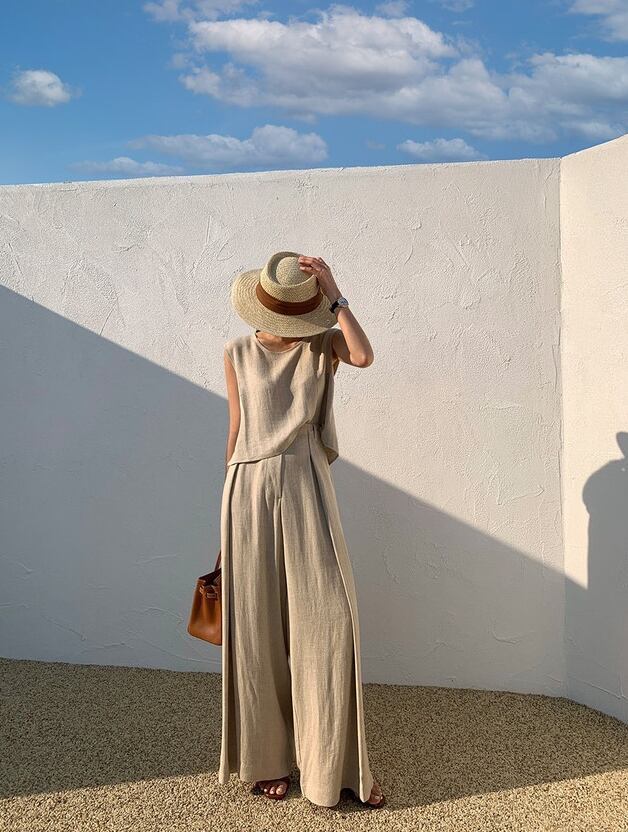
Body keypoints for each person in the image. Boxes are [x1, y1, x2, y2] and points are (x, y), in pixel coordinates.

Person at [217, 251, 385, 809]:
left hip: (306, 483)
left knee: (331, 622)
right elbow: (236, 430)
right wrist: (224, 525)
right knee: (257, 628)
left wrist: (336, 295)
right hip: (247, 489)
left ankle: (333, 767)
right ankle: (267, 760)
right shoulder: (237, 352)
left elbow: (363, 355)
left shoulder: (323, 346)